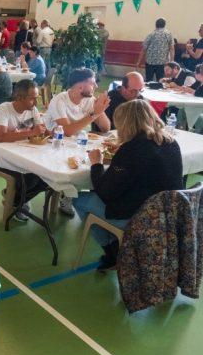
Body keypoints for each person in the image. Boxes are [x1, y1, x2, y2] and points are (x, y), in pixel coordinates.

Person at [74, 99, 183, 270]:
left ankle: (113, 252)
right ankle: (118, 247)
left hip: (141, 217)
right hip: (169, 213)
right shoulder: (170, 142)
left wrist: (96, 164)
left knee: (79, 200)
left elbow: (105, 192)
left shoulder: (132, 149)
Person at [45, 68, 111, 217]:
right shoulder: (60, 100)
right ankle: (67, 194)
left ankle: (68, 195)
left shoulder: (89, 100)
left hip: (79, 144)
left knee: (98, 161)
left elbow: (106, 127)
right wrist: (94, 113)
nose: (95, 87)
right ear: (80, 86)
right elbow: (67, 131)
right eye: (93, 84)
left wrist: (100, 109)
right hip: (54, 144)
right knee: (81, 163)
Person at [0, 79, 48, 221]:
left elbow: (41, 130)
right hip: (1, 157)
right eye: (32, 99)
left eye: (37, 98)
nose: (36, 103)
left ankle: (16, 200)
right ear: (19, 97)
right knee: (29, 177)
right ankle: (18, 200)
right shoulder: (4, 109)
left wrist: (49, 131)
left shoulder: (33, 110)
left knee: (46, 176)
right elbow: (1, 137)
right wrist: (31, 132)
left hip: (25, 154)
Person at [136, 18, 174, 82]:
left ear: (156, 25)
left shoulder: (151, 34)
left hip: (150, 62)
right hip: (162, 62)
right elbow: (172, 48)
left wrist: (138, 62)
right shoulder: (168, 34)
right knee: (161, 81)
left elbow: (144, 49)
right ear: (164, 25)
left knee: (148, 81)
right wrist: (172, 61)